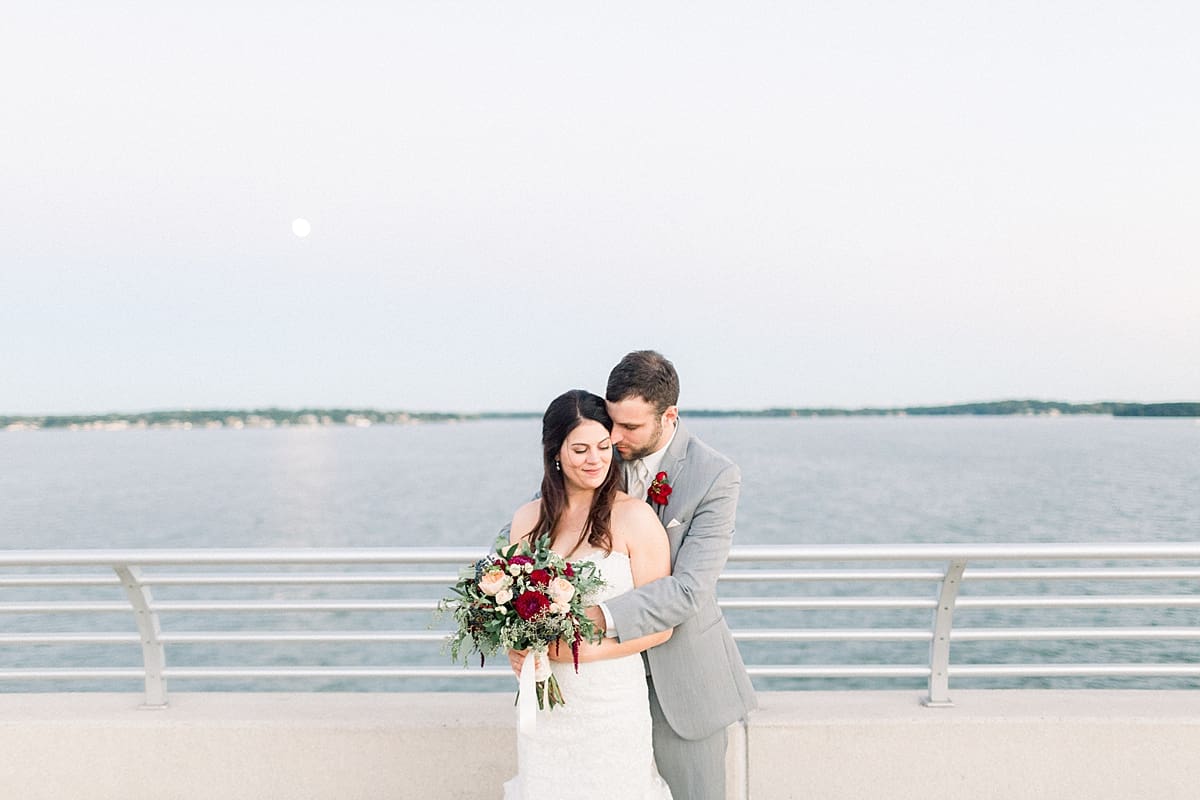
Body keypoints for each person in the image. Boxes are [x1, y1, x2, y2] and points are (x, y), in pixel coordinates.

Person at [593, 350, 757, 800]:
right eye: (611, 421)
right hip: (599, 684)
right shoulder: (594, 455)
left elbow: (689, 590)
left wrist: (595, 617)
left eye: (630, 427)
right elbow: (538, 524)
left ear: (669, 416)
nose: (614, 436)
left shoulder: (715, 475)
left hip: (684, 683)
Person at [502, 389, 675, 799]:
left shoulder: (635, 517)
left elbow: (662, 625)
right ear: (555, 453)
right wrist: (518, 649)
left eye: (603, 447)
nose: (595, 459)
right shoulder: (528, 520)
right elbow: (515, 612)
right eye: (580, 449)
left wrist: (581, 651)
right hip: (546, 704)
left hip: (611, 702)